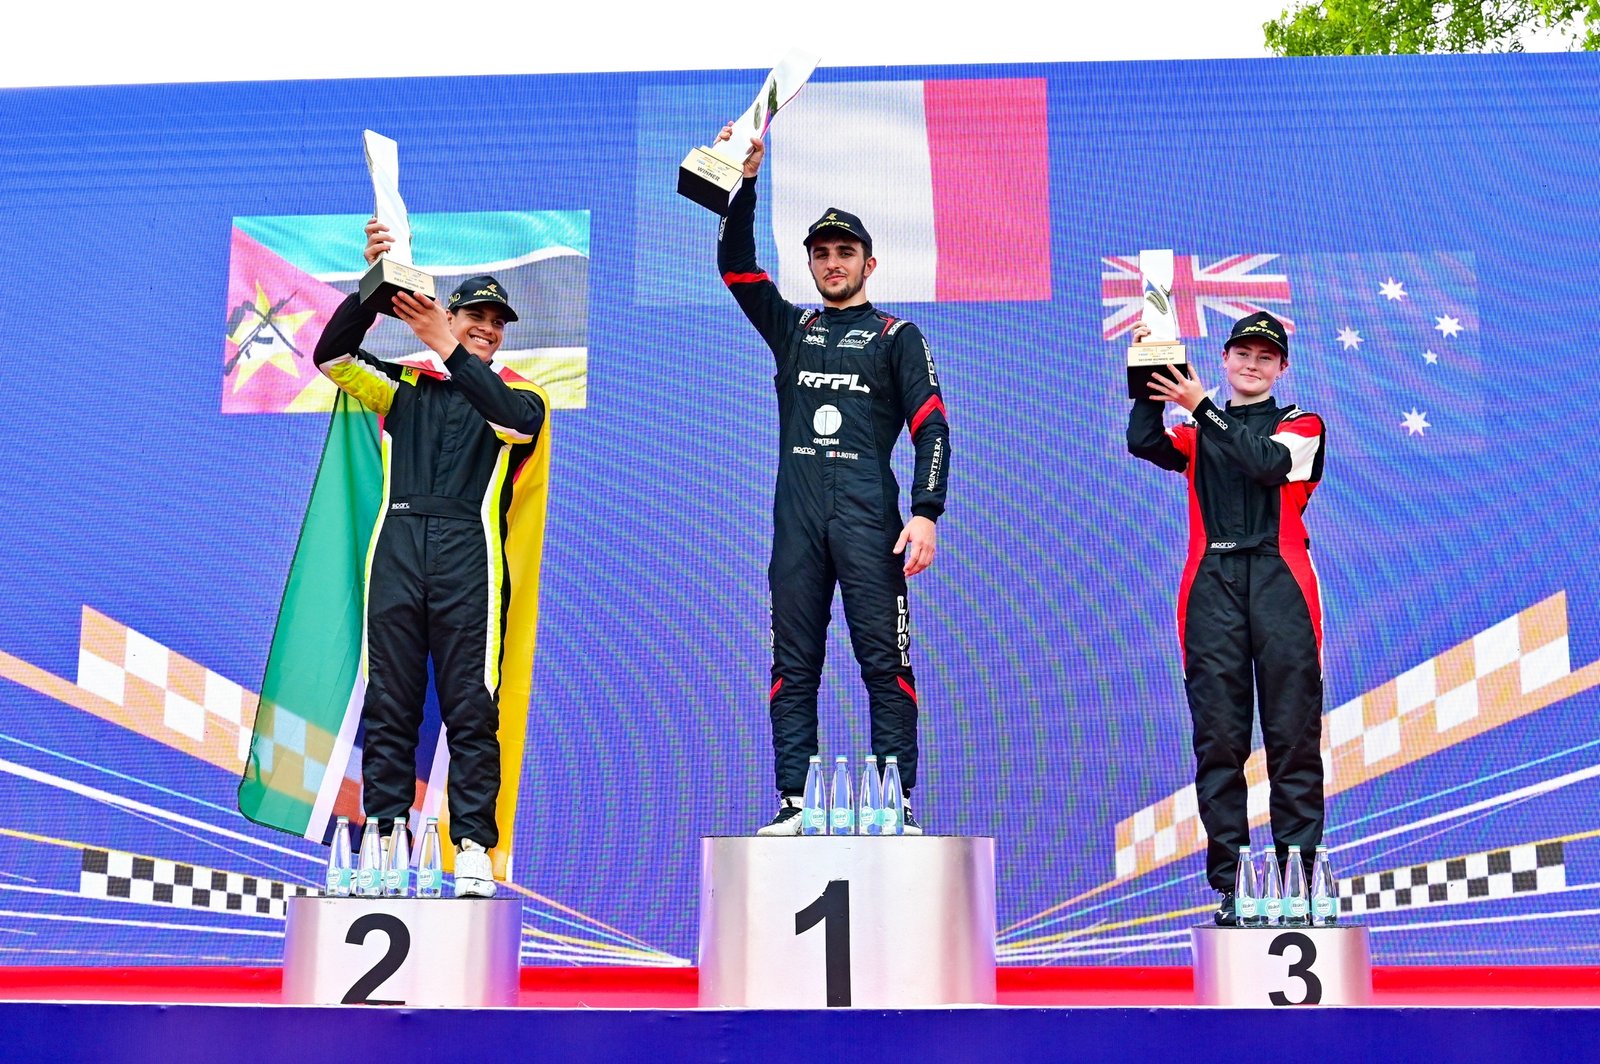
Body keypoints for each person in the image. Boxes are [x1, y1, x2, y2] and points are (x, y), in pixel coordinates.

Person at [712, 126, 950, 836]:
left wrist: (926, 511)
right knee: (793, 667)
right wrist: (745, 184)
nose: (833, 262)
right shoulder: (793, 329)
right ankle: (796, 801)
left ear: (868, 263)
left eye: (845, 252)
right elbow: (735, 267)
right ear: (811, 264)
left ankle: (895, 804)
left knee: (886, 664)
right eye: (821, 253)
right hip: (799, 526)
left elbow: (932, 426)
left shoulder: (897, 336)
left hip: (872, 523)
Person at [311, 219, 547, 897]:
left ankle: (471, 847)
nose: (488, 329)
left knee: (472, 706)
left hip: (470, 558)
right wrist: (374, 284)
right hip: (397, 551)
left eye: (497, 323)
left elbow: (514, 424)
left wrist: (446, 343)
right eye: (476, 317)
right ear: (452, 314)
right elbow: (332, 357)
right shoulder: (401, 390)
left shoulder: (519, 398)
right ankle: (384, 840)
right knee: (390, 702)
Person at [1126, 311, 1326, 926]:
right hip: (1210, 583)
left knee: (1292, 737)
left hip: (1281, 581)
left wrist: (1202, 405)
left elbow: (1264, 462)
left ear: (1282, 367)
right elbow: (1145, 441)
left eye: (1266, 357)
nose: (1252, 364)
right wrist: (1149, 372)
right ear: (1225, 358)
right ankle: (1235, 885)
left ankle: (1298, 883)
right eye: (1243, 353)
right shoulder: (1196, 430)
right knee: (1219, 740)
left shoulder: (1303, 424)